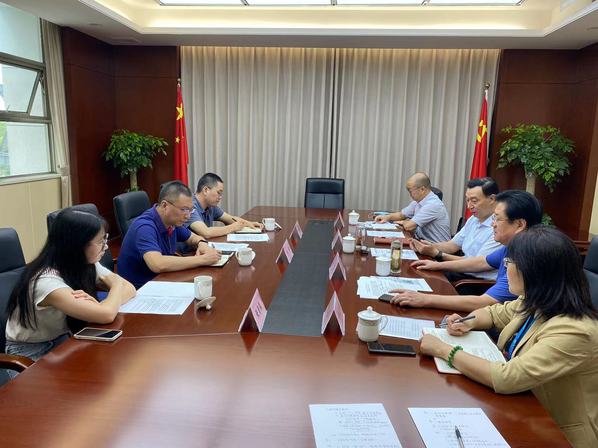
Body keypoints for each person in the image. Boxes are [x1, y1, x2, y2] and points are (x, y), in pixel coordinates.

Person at [419, 226, 598, 447]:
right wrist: (468, 322)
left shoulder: (576, 331)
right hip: (522, 407)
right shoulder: (535, 300)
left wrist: (443, 349)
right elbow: (494, 313)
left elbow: (508, 378)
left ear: (534, 271)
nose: (505, 268)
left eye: (509, 262)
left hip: (557, 432)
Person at [5, 209, 136, 365]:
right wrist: (113, 290)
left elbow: (130, 288)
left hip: (66, 338)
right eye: (100, 241)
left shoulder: (82, 263)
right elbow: (107, 314)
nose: (106, 246)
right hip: (31, 352)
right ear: (78, 244)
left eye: (105, 239)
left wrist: (103, 306)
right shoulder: (45, 281)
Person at [390, 190, 542, 312]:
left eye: (497, 219)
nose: (493, 224)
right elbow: (481, 262)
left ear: (520, 224)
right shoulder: (511, 247)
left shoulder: (526, 258)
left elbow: (484, 303)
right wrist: (437, 264)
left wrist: (424, 300)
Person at [118, 180, 221, 288]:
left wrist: (202, 244)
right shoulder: (145, 227)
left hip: (162, 279)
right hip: (138, 290)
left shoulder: (171, 222)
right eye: (184, 209)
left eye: (191, 210)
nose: (188, 216)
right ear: (164, 205)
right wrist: (203, 259)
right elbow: (157, 264)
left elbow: (192, 237)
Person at [410, 177, 501, 281]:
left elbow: (478, 264)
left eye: (474, 201)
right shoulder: (474, 219)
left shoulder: (499, 227)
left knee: (425, 276)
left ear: (492, 199)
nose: (469, 206)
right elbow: (452, 246)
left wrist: (437, 254)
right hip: (461, 271)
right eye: (467, 200)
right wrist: (427, 246)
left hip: (474, 282)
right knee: (417, 270)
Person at [375, 172, 450, 243]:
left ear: (422, 189)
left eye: (410, 191)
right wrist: (387, 217)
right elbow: (401, 215)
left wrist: (403, 222)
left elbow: (409, 226)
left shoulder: (432, 205)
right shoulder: (419, 201)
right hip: (421, 242)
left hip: (436, 248)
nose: (410, 194)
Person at [186, 172, 263, 239]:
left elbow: (230, 219)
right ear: (206, 190)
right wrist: (233, 227)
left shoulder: (210, 206)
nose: (220, 197)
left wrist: (249, 223)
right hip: (188, 251)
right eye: (218, 192)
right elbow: (206, 232)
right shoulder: (189, 206)